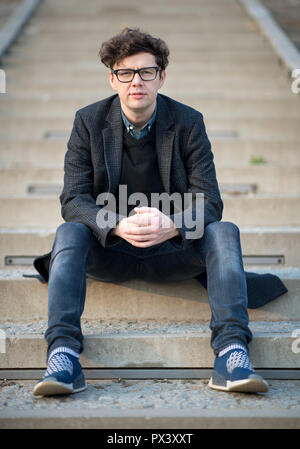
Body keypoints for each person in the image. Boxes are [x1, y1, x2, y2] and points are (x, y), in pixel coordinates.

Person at [33, 28, 286, 397]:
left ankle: (232, 354)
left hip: (173, 251)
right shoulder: (88, 121)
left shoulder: (188, 121)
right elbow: (73, 199)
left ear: (161, 76)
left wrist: (172, 225)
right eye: (126, 72)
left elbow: (209, 201)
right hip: (111, 251)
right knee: (68, 231)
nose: (136, 81)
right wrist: (116, 225)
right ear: (112, 78)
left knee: (224, 229)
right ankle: (63, 356)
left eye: (146, 72)